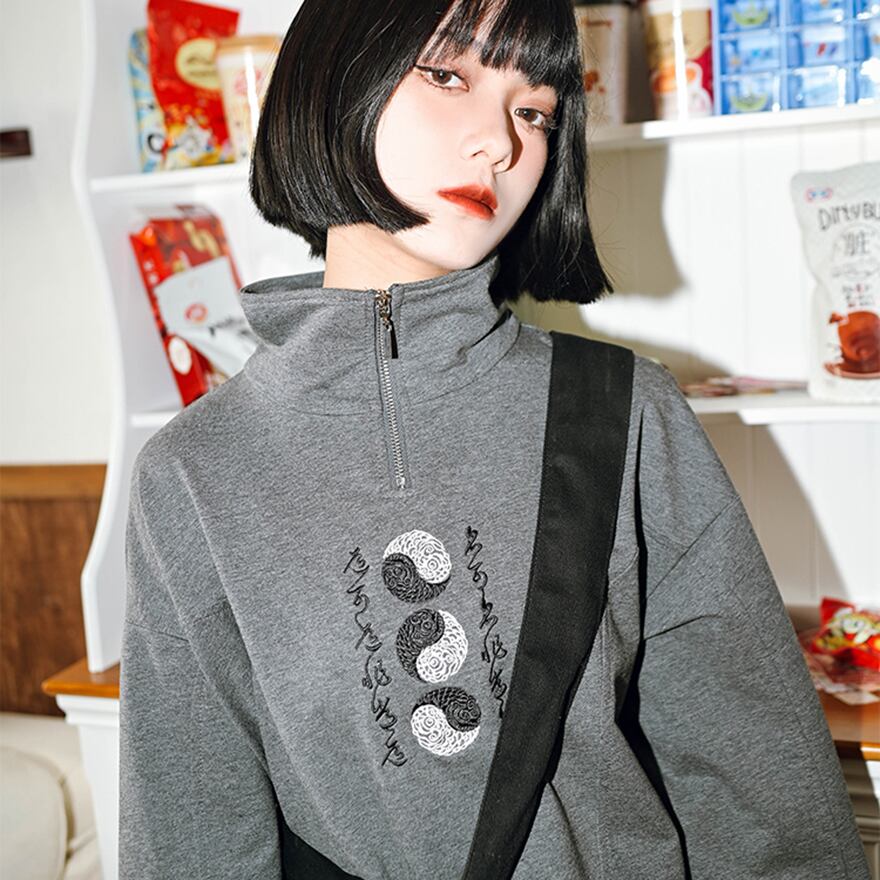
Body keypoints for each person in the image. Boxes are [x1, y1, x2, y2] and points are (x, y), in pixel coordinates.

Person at [118, 1, 871, 878]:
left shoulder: (625, 412)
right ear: (333, 77)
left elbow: (763, 801)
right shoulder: (195, 472)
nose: (501, 145)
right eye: (447, 75)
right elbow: (191, 834)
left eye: (534, 112)